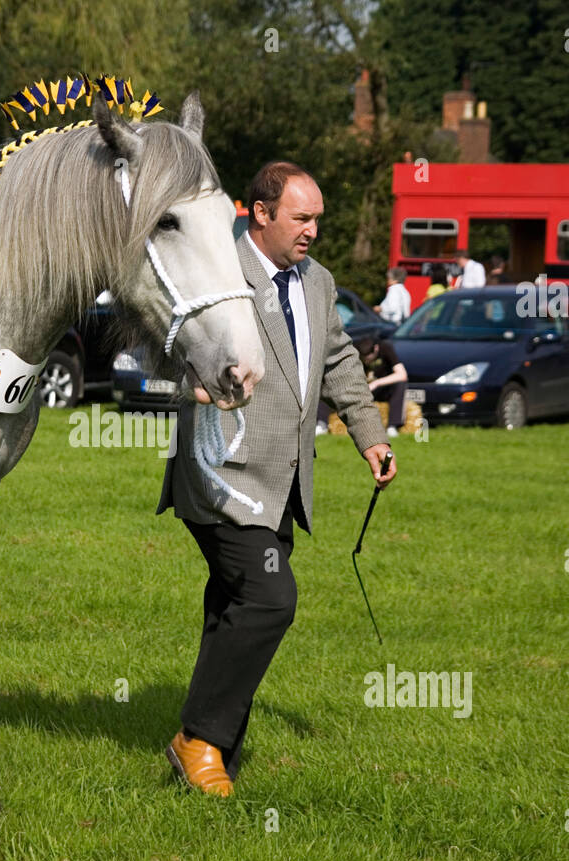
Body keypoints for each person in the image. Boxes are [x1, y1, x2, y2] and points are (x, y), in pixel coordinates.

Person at [157, 160, 396, 797]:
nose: (313, 230)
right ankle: (198, 741)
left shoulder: (317, 282)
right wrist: (188, 387)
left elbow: (339, 359)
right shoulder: (215, 267)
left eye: (318, 217)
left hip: (284, 481)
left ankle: (211, 750)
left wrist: (370, 437)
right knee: (269, 598)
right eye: (301, 217)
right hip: (220, 475)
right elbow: (155, 351)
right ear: (260, 214)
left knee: (233, 607)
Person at [355, 335, 409, 438]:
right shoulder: (354, 349)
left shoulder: (386, 348)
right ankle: (322, 424)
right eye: (364, 359)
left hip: (380, 389)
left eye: (369, 359)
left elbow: (402, 375)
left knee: (400, 384)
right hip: (361, 389)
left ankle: (392, 426)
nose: (367, 362)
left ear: (376, 348)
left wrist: (376, 383)